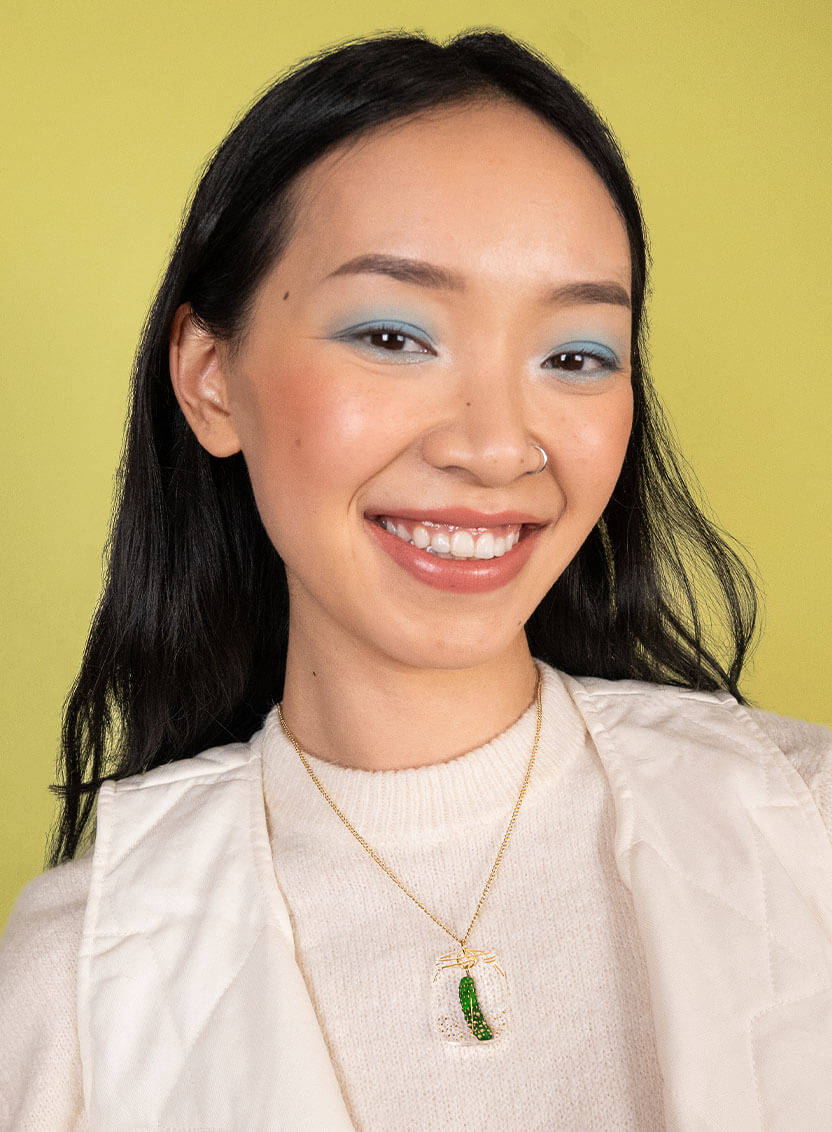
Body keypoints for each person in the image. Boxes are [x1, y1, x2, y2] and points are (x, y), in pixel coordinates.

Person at [1, 28, 830, 1132]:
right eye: (395, 334)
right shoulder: (75, 976)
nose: (496, 447)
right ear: (211, 379)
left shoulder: (805, 826)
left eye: (575, 354)